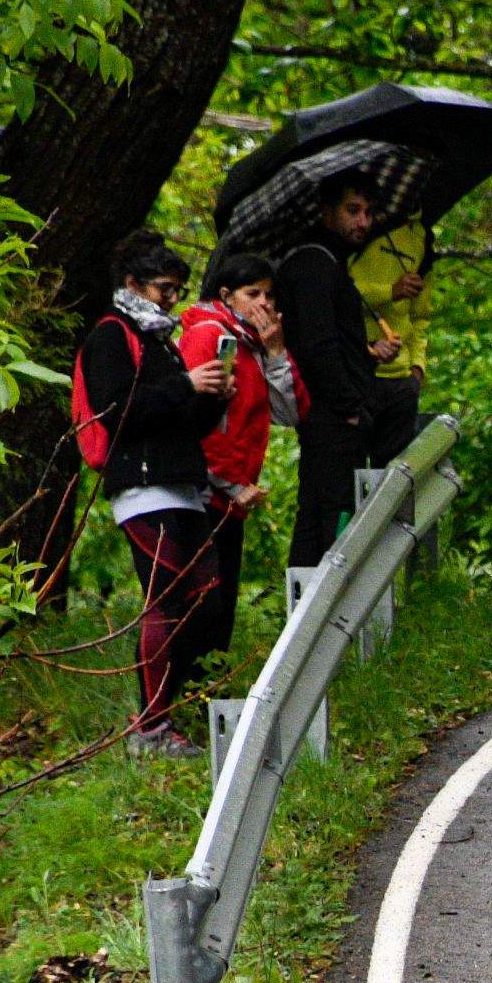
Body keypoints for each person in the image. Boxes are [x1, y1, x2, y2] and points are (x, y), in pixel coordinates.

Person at [78, 230, 229, 756]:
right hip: (143, 489)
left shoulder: (161, 343)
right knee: (163, 602)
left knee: (204, 595)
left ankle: (178, 708)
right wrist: (185, 384)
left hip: (183, 485)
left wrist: (211, 395)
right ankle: (150, 727)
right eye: (163, 288)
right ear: (132, 284)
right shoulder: (111, 336)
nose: (171, 298)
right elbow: (118, 411)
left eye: (177, 289)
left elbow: (183, 420)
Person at [180, 253, 304, 687]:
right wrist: (230, 484)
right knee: (203, 603)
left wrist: (275, 352)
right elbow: (195, 422)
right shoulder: (211, 336)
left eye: (270, 295)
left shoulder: (252, 344)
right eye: (253, 294)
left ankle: (208, 699)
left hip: (232, 497)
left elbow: (288, 412)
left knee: (223, 603)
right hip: (205, 493)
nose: (264, 304)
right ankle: (186, 701)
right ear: (227, 295)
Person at [274, 176, 407, 565]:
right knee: (331, 513)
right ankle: (319, 611)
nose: (363, 222)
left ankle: (308, 611)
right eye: (353, 210)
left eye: (368, 212)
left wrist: (368, 355)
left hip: (335, 411)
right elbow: (316, 344)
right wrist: (348, 406)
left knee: (322, 508)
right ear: (326, 211)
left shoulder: (328, 262)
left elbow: (331, 341)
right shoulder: (313, 263)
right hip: (331, 416)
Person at [351, 215, 432, 424]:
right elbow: (338, 294)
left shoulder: (423, 238)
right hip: (356, 374)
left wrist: (417, 367)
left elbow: (420, 317)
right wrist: (390, 292)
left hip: (401, 380)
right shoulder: (358, 228)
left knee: (397, 456)